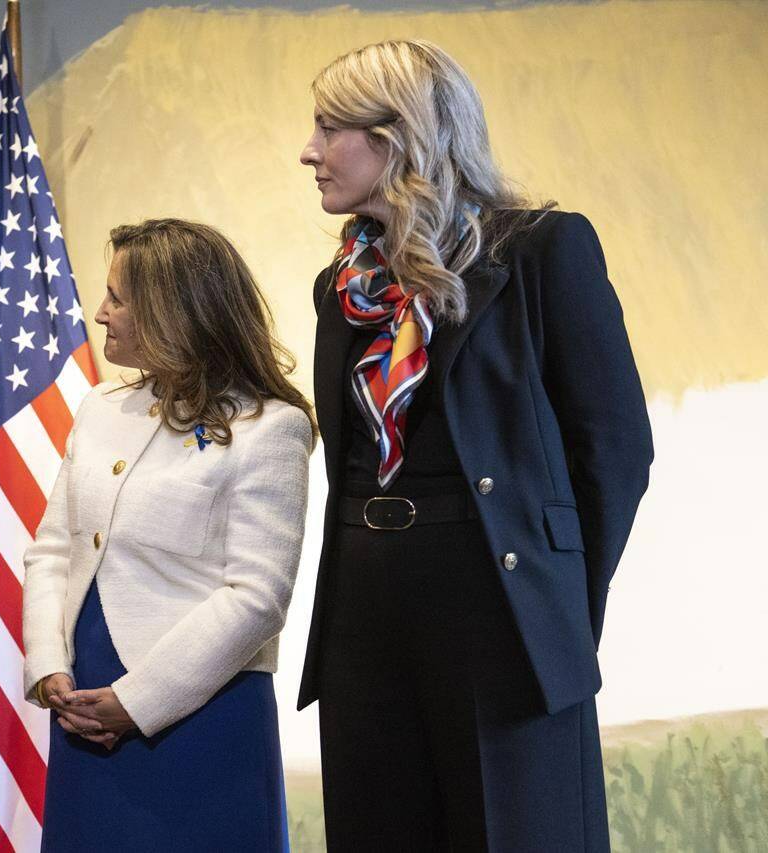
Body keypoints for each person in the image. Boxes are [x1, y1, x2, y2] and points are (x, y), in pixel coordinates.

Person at [296, 40, 653, 851]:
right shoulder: (339, 286)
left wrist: (551, 599)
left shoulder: (539, 251)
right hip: (365, 609)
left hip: (498, 606)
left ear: (399, 137)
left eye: (329, 126)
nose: (309, 150)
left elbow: (615, 450)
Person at [22, 219, 315, 851]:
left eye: (117, 298)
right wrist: (48, 667)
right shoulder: (100, 408)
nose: (101, 314)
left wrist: (138, 701)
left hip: (201, 712)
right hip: (83, 702)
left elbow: (258, 595)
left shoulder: (272, 427)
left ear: (173, 311)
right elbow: (52, 550)